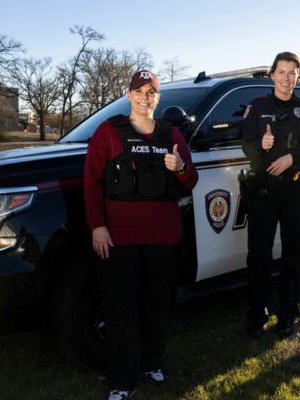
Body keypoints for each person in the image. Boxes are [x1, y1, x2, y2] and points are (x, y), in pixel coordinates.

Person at [84, 70, 198, 400]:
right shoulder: (108, 132)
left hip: (163, 236)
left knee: (157, 303)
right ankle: (123, 378)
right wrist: (97, 227)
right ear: (129, 95)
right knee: (121, 306)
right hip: (118, 237)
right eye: (139, 91)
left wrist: (180, 168)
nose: (145, 97)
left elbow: (191, 182)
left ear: (158, 99)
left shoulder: (171, 134)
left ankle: (151, 363)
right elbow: (92, 181)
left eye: (151, 92)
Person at [241, 52, 300, 338]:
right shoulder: (256, 107)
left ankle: (287, 314)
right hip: (262, 192)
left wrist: (294, 157)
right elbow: (246, 146)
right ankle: (257, 314)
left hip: (297, 193)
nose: (286, 78)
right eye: (281, 72)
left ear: (299, 77)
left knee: (294, 254)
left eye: (292, 73)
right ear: (272, 75)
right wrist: (260, 143)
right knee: (259, 256)